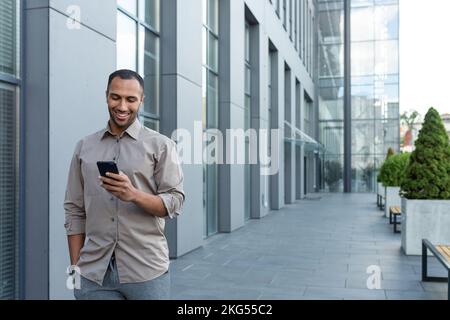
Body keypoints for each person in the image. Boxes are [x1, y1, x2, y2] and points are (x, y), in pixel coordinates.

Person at [64, 69, 185, 300]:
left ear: (141, 100)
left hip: (147, 272)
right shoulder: (84, 147)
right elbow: (74, 210)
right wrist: (75, 270)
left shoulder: (161, 145)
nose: (122, 106)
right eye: (115, 97)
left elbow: (175, 201)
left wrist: (133, 194)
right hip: (93, 274)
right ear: (106, 95)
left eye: (131, 99)